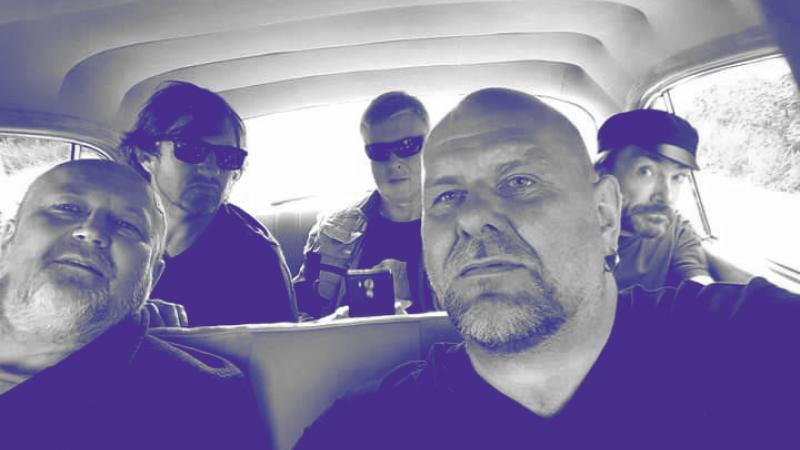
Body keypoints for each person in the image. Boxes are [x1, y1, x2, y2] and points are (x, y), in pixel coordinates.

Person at [294, 88, 800, 450]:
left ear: (603, 215)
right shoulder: (364, 432)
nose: (471, 217)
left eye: (519, 182)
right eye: (446, 196)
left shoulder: (753, 344)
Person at [0, 160, 267, 449]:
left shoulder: (194, 405)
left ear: (152, 276)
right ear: (6, 240)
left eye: (127, 225)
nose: (92, 231)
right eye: (68, 208)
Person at [123, 80, 298, 326]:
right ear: (146, 156)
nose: (211, 169)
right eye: (191, 149)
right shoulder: (112, 233)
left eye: (228, 157)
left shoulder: (255, 256)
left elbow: (279, 348)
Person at [294, 91, 437, 318]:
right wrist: (335, 325)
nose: (394, 162)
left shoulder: (463, 227)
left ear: (431, 146)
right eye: (379, 152)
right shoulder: (330, 232)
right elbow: (299, 315)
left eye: (407, 146)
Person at [594, 109, 713, 290]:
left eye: (678, 177)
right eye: (646, 171)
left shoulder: (676, 231)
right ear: (603, 174)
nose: (666, 196)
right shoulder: (568, 229)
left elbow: (698, 282)